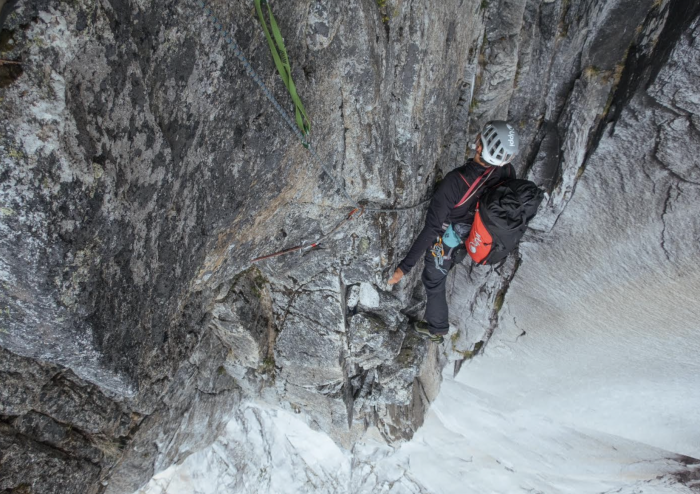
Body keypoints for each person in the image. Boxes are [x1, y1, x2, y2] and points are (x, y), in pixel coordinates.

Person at [387, 121, 520, 343]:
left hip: (451, 238)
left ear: (479, 147)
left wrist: (403, 268)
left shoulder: (456, 183)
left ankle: (437, 329)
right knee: (442, 269)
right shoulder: (507, 171)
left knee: (433, 279)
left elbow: (431, 229)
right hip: (476, 232)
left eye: (480, 138)